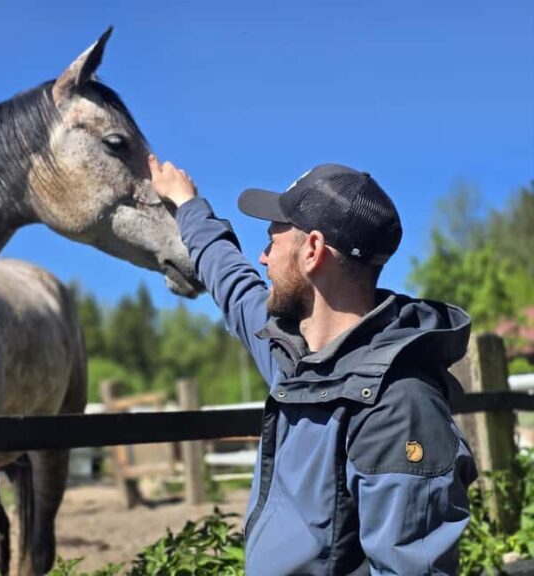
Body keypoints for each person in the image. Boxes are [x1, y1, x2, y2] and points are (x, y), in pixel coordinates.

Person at [149, 156, 478, 576]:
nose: (263, 258)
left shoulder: (398, 407)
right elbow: (230, 280)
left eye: (273, 241)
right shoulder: (292, 354)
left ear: (313, 251)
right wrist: (186, 203)